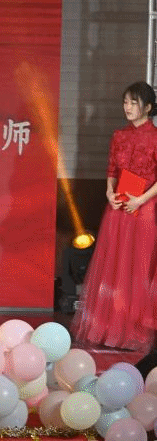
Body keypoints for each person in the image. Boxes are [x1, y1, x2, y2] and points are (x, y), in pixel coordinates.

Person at [73, 81, 157, 351]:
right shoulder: (119, 135)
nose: (127, 107)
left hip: (143, 207)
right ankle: (108, 327)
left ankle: (133, 329)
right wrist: (109, 192)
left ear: (148, 107)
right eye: (125, 102)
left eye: (133, 102)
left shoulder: (155, 137)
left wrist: (141, 199)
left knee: (137, 267)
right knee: (114, 267)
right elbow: (112, 169)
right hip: (118, 206)